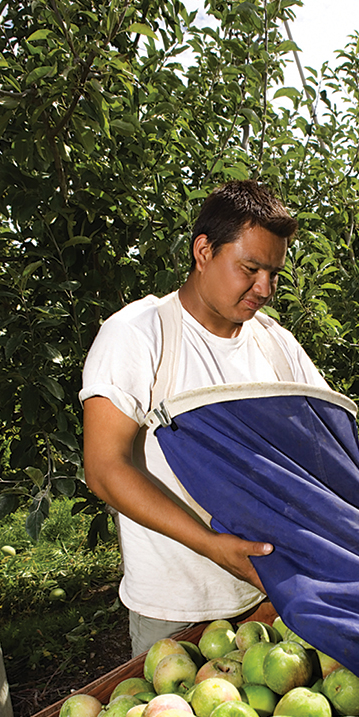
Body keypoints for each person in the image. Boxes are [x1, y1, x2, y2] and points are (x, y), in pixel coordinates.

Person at [80, 180, 329, 656]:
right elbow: (106, 468)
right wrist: (213, 545)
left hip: (269, 596)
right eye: (250, 268)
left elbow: (323, 447)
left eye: (274, 273)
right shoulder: (139, 335)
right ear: (203, 251)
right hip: (176, 612)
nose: (265, 289)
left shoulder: (275, 344)